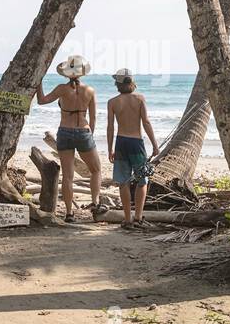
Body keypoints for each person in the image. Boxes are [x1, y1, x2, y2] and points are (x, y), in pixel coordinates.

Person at [37, 55, 105, 222]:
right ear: (82, 74)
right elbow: (93, 118)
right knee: (96, 170)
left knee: (68, 176)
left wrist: (38, 83)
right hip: (83, 131)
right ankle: (95, 203)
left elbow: (41, 100)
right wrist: (89, 135)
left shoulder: (61, 89)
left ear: (67, 74)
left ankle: (69, 213)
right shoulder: (90, 90)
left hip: (65, 132)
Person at [106, 68, 158, 229]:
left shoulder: (113, 102)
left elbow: (110, 127)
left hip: (121, 142)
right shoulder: (140, 99)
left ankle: (127, 219)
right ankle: (138, 217)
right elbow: (146, 122)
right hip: (136, 143)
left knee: (123, 181)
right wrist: (155, 146)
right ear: (132, 83)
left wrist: (110, 149)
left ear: (118, 84)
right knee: (142, 180)